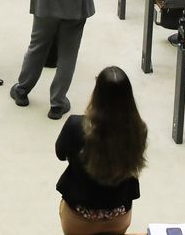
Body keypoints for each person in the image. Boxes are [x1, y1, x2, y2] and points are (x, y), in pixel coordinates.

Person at [52, 66, 148, 235]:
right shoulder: (138, 129)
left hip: (80, 217)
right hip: (119, 215)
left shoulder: (76, 126)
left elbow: (60, 154)